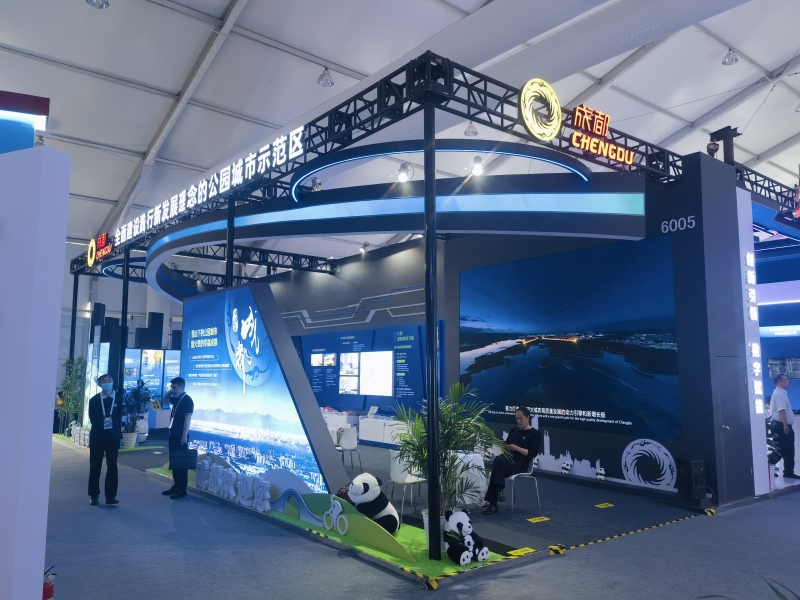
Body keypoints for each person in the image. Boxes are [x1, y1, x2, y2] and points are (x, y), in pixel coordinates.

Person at [482, 407, 542, 515]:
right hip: (507, 458)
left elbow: (533, 453)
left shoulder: (535, 434)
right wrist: (504, 445)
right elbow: (508, 447)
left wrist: (517, 448)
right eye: (517, 418)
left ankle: (493, 503)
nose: (518, 421)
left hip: (521, 463)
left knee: (496, 470)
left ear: (527, 418)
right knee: (498, 459)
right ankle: (499, 492)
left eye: (521, 418)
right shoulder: (514, 430)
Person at [87, 374, 122, 505]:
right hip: (97, 436)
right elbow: (92, 418)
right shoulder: (94, 400)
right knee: (95, 465)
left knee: (112, 465)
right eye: (104, 381)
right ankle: (94, 495)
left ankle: (110, 496)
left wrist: (119, 435)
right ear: (100, 384)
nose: (107, 383)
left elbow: (119, 417)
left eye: (109, 380)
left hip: (113, 437)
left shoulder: (119, 398)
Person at [162, 377, 194, 499]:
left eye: (175, 387)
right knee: (174, 459)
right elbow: (164, 399)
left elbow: (187, 419)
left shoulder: (187, 400)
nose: (172, 390)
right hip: (173, 433)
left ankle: (182, 489)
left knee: (181, 462)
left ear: (182, 388)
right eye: (172, 387)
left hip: (181, 434)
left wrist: (184, 436)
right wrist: (171, 391)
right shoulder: (177, 398)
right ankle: (176, 485)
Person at [771, 375, 798, 479]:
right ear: (779, 382)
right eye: (785, 380)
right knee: (781, 449)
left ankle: (788, 472)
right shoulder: (779, 394)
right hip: (781, 425)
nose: (788, 381)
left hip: (783, 425)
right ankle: (769, 467)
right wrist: (785, 425)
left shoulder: (781, 393)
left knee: (789, 450)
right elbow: (781, 410)